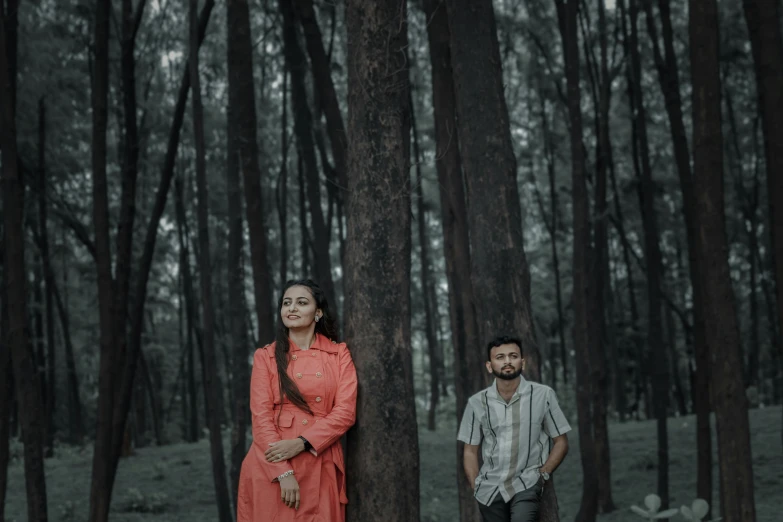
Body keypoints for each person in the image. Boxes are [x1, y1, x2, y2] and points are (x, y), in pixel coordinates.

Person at [237, 279, 357, 522]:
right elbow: (261, 419)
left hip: (319, 458)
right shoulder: (266, 356)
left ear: (318, 313)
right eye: (286, 303)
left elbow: (345, 412)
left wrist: (303, 442)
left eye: (302, 303)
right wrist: (283, 473)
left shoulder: (338, 354)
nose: (291, 308)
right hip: (272, 464)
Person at [458, 335, 571, 522]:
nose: (507, 361)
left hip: (527, 482)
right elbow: (470, 450)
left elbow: (561, 442)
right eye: (500, 357)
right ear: (489, 365)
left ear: (522, 362)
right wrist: (475, 484)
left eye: (513, 356)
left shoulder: (544, 395)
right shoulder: (476, 403)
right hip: (489, 489)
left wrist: (543, 474)